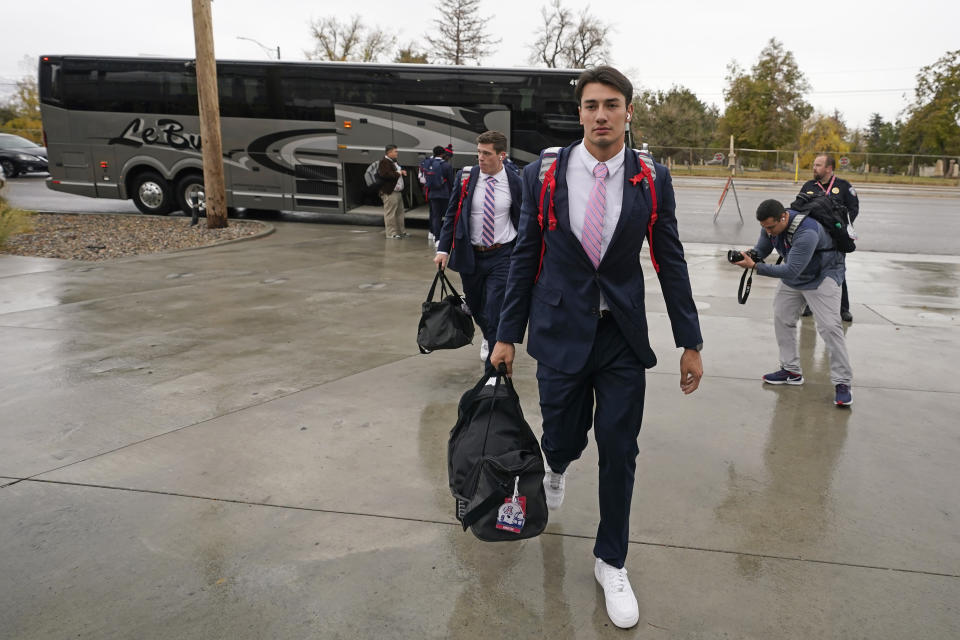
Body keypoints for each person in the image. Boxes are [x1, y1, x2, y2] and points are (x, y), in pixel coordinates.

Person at [490, 66, 704, 629]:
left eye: (612, 104)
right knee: (561, 433)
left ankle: (611, 560)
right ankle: (557, 465)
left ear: (628, 111)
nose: (601, 115)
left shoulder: (651, 178)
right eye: (591, 105)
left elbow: (670, 259)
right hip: (559, 328)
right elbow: (525, 254)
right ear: (579, 113)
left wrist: (690, 340)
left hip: (620, 335)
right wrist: (506, 333)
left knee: (619, 444)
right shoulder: (544, 172)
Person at [732, 198, 853, 407]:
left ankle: (842, 383)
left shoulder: (807, 232)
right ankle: (791, 371)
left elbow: (791, 269)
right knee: (782, 317)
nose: (768, 232)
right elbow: (762, 250)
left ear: (784, 217)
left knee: (830, 328)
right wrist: (749, 256)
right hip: (795, 278)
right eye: (764, 228)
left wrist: (756, 267)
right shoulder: (769, 227)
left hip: (823, 276)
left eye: (771, 227)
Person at [434, 131, 522, 364]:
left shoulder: (515, 182)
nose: (480, 158)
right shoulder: (466, 178)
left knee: (495, 307)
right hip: (471, 254)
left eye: (486, 153)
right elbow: (451, 214)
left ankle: (493, 370)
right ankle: (488, 333)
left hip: (502, 254)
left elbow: (524, 218)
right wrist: (443, 249)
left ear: (501, 155)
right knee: (473, 305)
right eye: (478, 153)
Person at [796, 154, 859, 322]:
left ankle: (843, 308)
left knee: (838, 272)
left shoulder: (843, 186)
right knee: (811, 270)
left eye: (818, 165)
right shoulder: (809, 186)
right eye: (814, 164)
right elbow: (800, 209)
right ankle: (809, 305)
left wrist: (840, 225)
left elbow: (853, 209)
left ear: (829, 168)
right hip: (813, 237)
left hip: (836, 237)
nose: (814, 168)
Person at [419, 146, 455, 246]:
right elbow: (451, 182)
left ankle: (435, 237)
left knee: (436, 216)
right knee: (447, 216)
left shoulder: (428, 163)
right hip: (444, 194)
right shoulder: (446, 166)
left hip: (432, 194)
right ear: (443, 154)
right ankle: (446, 237)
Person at [378, 145, 408, 239]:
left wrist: (401, 171)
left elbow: (394, 172)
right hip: (390, 192)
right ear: (389, 152)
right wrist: (398, 173)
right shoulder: (384, 162)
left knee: (399, 212)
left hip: (397, 191)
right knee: (390, 213)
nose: (397, 153)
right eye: (395, 151)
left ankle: (401, 231)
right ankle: (391, 233)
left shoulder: (393, 161)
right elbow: (384, 174)